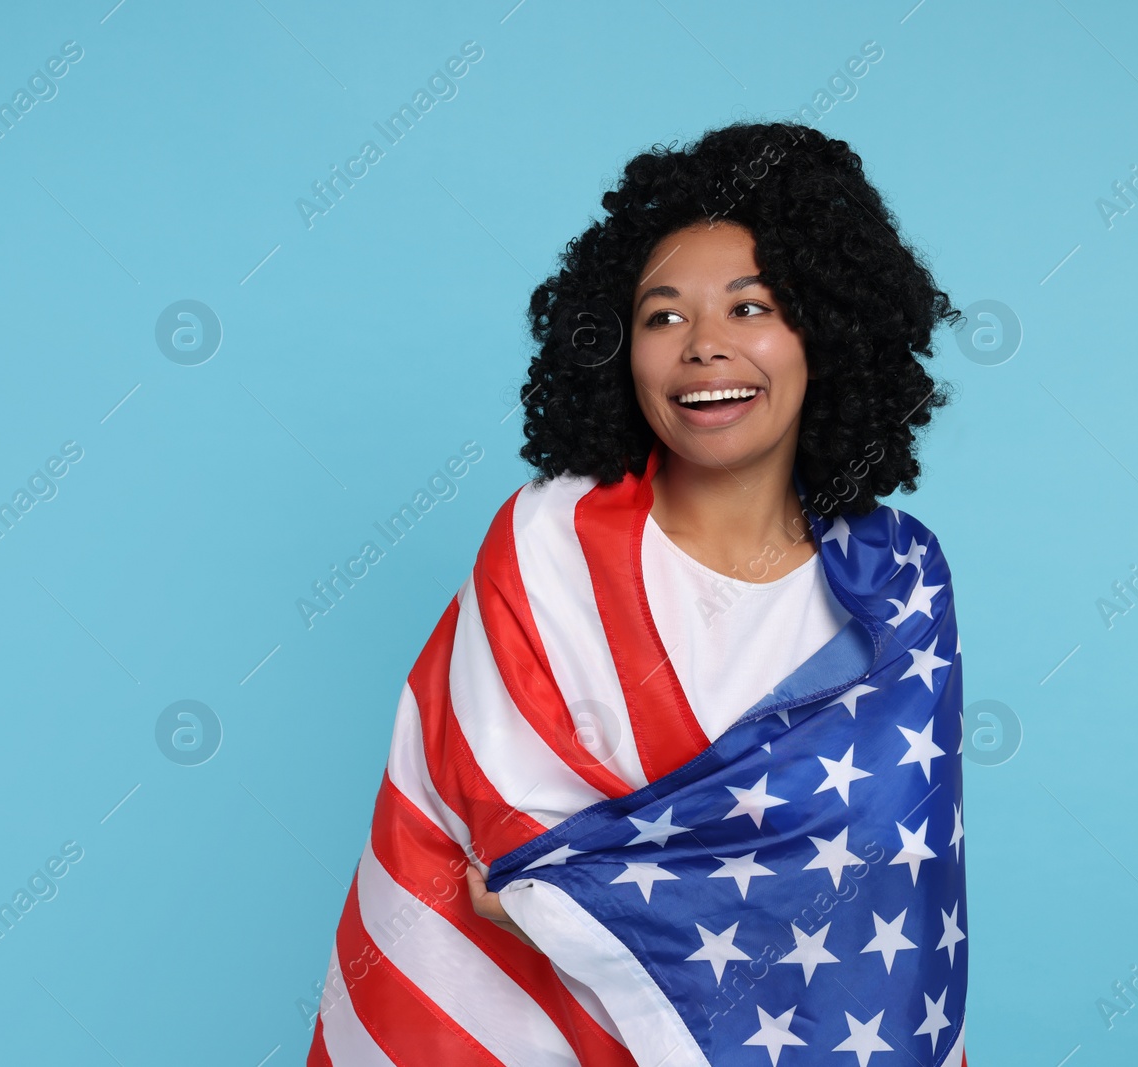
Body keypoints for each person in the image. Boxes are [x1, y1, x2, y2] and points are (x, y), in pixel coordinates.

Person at [307, 121, 969, 1067]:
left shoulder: (898, 581)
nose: (703, 347)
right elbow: (508, 861)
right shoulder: (550, 541)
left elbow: (893, 887)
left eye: (751, 309)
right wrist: (635, 893)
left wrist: (614, 889)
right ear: (618, 347)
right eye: (664, 317)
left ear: (826, 330)